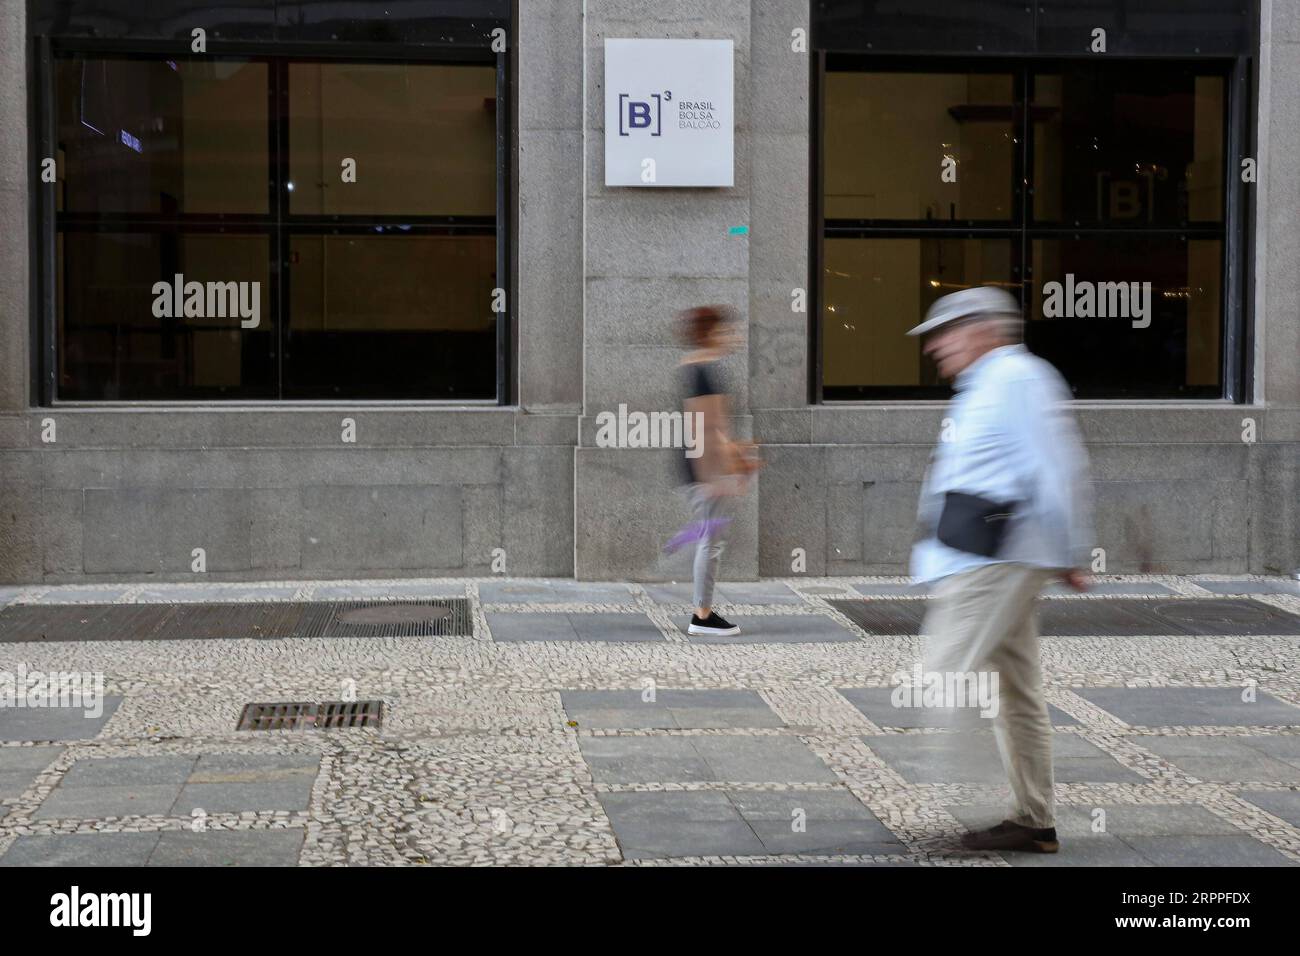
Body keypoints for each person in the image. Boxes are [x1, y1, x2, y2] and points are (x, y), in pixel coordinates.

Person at [907, 285, 1093, 854]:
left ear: (983, 330)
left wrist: (1070, 550)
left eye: (946, 333)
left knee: (940, 671)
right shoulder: (984, 384)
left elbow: (1056, 465)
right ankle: (1034, 819)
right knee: (1017, 690)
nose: (937, 347)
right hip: (988, 553)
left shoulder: (1017, 379)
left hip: (999, 556)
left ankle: (942, 789)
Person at [675, 305, 758, 637]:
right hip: (705, 468)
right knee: (710, 542)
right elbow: (708, 428)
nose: (732, 336)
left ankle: (702, 609)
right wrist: (721, 473)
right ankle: (702, 615)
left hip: (702, 466)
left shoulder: (696, 368)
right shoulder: (704, 371)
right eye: (726, 331)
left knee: (709, 540)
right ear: (710, 334)